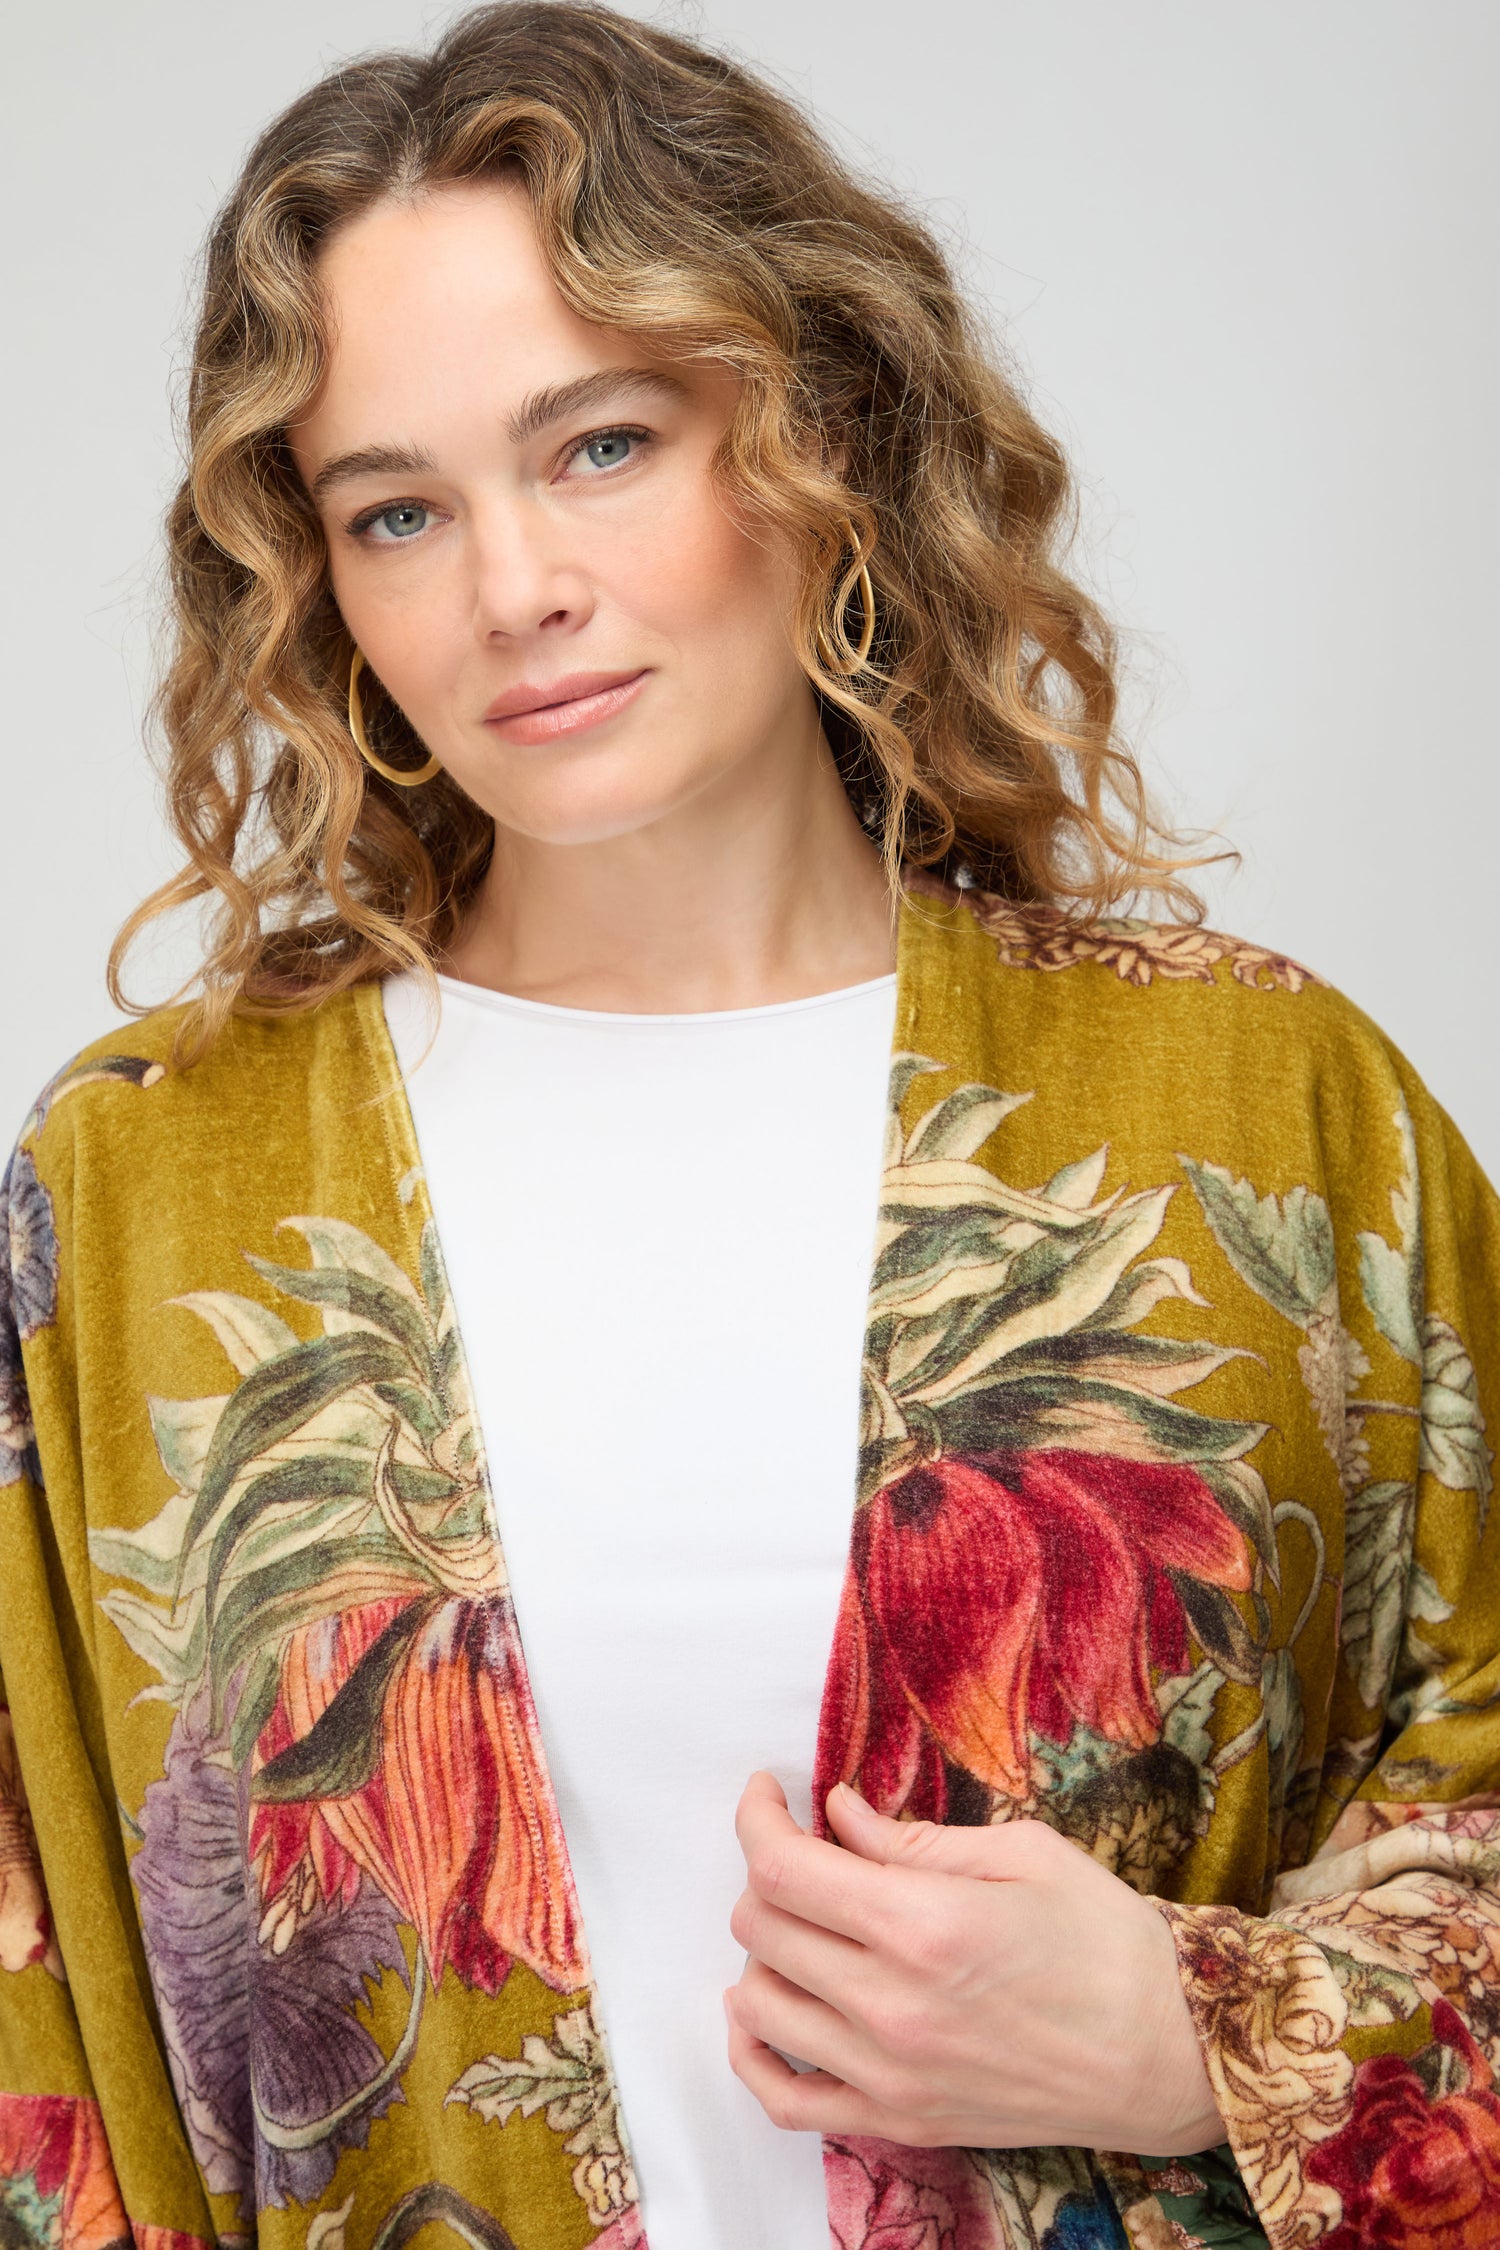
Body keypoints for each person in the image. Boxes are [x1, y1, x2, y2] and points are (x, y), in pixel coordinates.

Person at [3, 5, 1498, 2248]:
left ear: (817, 432)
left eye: (598, 445)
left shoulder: (1268, 1110)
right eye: (397, 508)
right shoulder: (138, 1189)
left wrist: (1219, 2035)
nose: (514, 589)